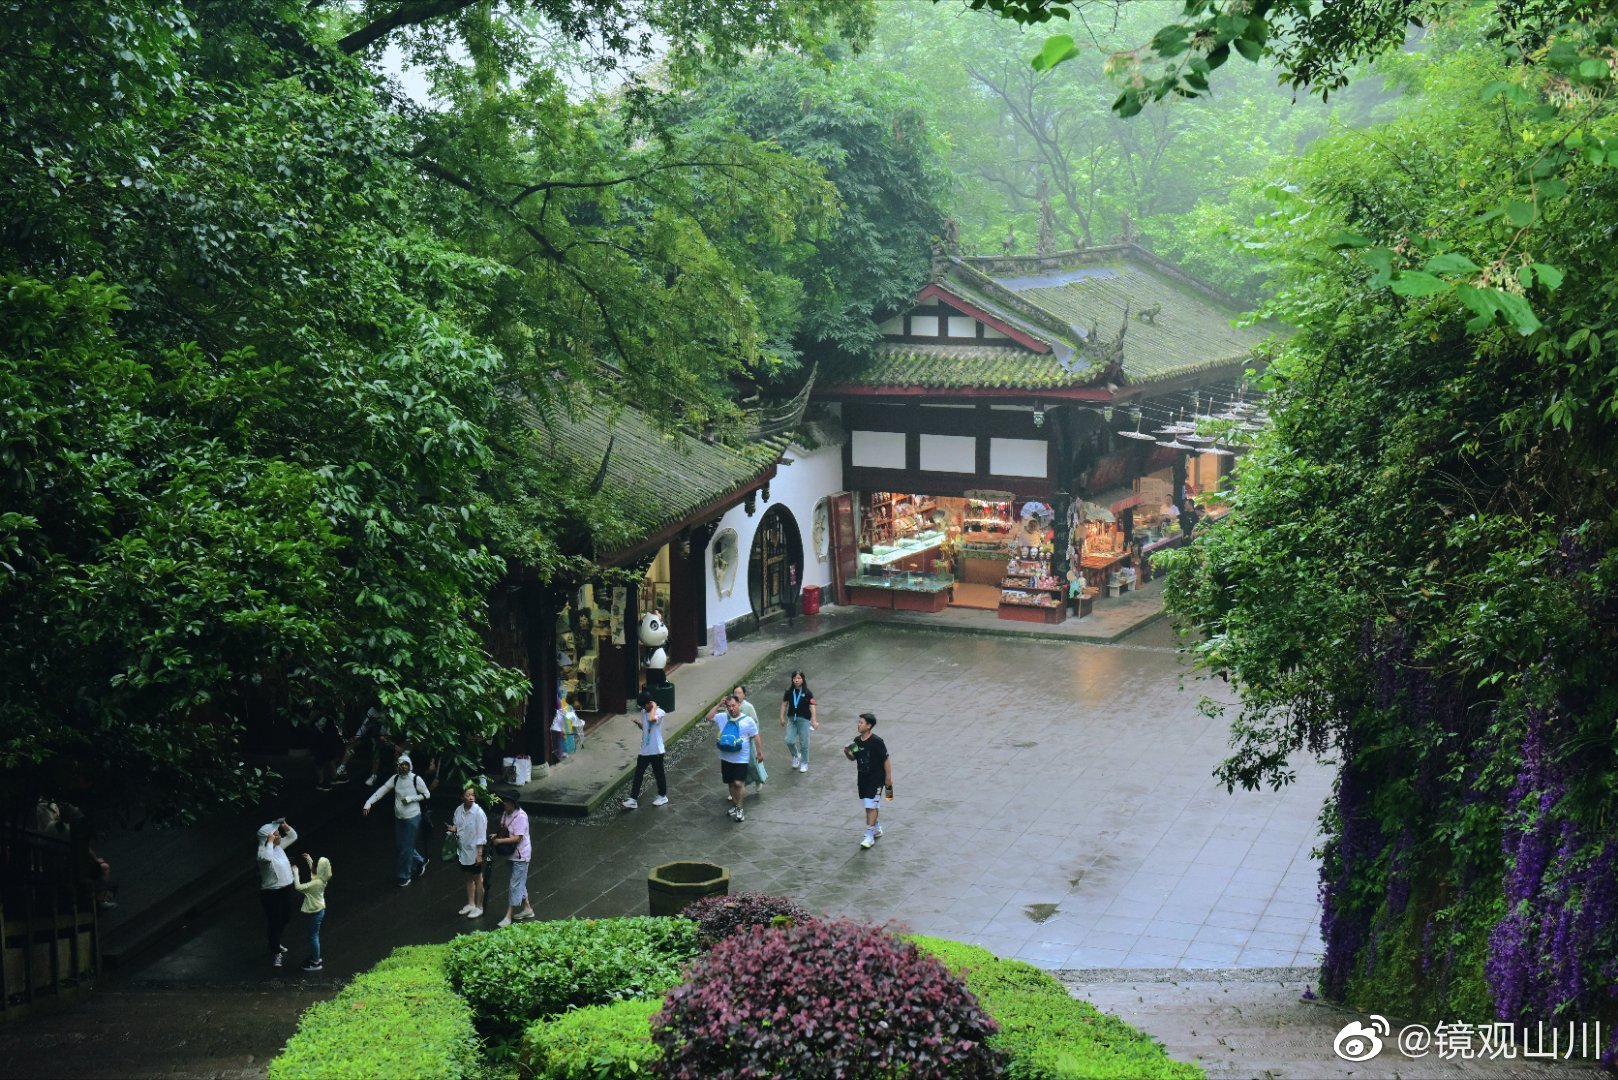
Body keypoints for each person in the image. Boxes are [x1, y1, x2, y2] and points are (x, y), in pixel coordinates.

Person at [361, 754, 430, 886]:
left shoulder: (416, 779)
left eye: (406, 764)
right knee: (401, 846)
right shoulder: (395, 779)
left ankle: (405, 875)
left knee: (406, 848)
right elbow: (382, 790)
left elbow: (427, 794)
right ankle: (420, 860)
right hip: (399, 817)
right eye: (401, 764)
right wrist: (369, 802)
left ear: (409, 766)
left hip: (413, 817)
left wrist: (411, 799)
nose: (403, 767)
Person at [710, 694, 763, 822]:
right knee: (730, 783)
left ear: (739, 705)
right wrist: (719, 704)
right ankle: (735, 805)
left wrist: (759, 752)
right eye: (728, 706)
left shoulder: (748, 720)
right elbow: (709, 717)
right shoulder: (723, 717)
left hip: (741, 758)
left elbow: (756, 736)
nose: (731, 709)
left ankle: (740, 808)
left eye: (733, 705)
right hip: (726, 757)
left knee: (739, 783)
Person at [844, 713, 893, 850]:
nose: (858, 724)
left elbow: (886, 759)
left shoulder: (877, 741)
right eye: (858, 722)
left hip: (876, 778)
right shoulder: (856, 741)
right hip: (862, 778)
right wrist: (847, 752)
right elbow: (854, 758)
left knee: (871, 806)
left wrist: (888, 778)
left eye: (861, 722)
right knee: (868, 805)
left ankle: (869, 835)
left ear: (869, 725)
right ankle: (876, 828)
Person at [256, 818, 298, 968]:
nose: (279, 837)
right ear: (268, 838)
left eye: (279, 834)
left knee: (286, 917)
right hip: (271, 894)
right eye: (276, 835)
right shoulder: (263, 852)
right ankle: (276, 952)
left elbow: (293, 836)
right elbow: (267, 859)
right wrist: (269, 842)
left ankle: (275, 940)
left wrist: (284, 825)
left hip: (285, 889)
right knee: (274, 922)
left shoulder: (278, 847)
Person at [491, 790, 534, 926]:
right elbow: (505, 830)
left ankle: (508, 916)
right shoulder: (505, 814)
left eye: (507, 802)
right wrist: (496, 835)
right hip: (511, 854)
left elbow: (518, 837)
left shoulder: (521, 816)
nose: (505, 804)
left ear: (514, 803)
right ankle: (527, 909)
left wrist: (500, 841)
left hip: (521, 855)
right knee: (518, 881)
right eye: (504, 801)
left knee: (514, 884)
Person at [623, 690, 669, 809]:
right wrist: (640, 725)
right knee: (638, 774)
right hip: (645, 749)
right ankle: (633, 799)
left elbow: (652, 720)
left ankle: (663, 796)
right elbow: (647, 727)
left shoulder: (660, 712)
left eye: (645, 705)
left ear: (650, 703)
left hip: (656, 750)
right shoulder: (644, 712)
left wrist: (653, 708)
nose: (644, 708)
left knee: (659, 774)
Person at [447, 786, 488, 918]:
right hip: (462, 850)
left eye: (473, 795)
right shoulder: (458, 810)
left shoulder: (479, 813)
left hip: (475, 851)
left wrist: (479, 854)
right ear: (462, 797)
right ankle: (471, 904)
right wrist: (452, 830)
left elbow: (482, 835)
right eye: (468, 795)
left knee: (478, 879)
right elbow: (457, 826)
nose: (471, 797)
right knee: (468, 877)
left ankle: (479, 906)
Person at [291, 851, 332, 972]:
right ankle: (316, 957)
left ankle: (316, 962)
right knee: (313, 935)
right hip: (319, 909)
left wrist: (295, 872)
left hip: (315, 913)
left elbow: (298, 887)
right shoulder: (322, 878)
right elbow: (315, 871)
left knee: (313, 937)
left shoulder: (315, 883)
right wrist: (309, 860)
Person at [779, 671, 818, 773]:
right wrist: (781, 717)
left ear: (803, 679)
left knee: (804, 743)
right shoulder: (789, 691)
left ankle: (804, 762)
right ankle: (796, 755)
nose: (796, 680)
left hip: (804, 720)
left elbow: (812, 706)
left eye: (799, 678)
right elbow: (784, 704)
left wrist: (814, 720)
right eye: (795, 678)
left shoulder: (808, 693)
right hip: (792, 719)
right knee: (789, 740)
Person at [551, 692, 580, 762]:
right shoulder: (568, 707)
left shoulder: (565, 705)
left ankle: (563, 753)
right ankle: (563, 753)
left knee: (563, 737)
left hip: (563, 724)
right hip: (564, 724)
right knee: (564, 738)